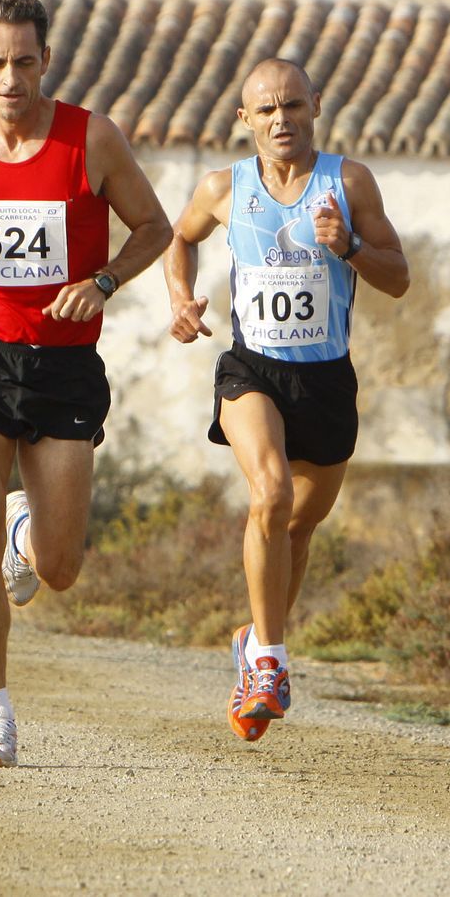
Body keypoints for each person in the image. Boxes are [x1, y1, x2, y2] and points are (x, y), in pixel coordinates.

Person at [0, 0, 172, 767]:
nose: (11, 77)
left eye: (25, 61)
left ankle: (31, 534)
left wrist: (107, 281)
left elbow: (153, 227)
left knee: (57, 567)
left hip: (63, 364)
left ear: (45, 61)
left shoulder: (92, 140)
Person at [164, 58, 410, 741]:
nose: (282, 121)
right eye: (266, 110)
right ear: (245, 119)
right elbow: (179, 240)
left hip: (326, 379)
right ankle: (270, 662)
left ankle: (255, 641)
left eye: (293, 107)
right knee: (268, 495)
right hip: (253, 372)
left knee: (297, 529)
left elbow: (399, 279)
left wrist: (351, 245)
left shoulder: (349, 181)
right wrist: (180, 300)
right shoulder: (223, 188)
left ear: (316, 107)